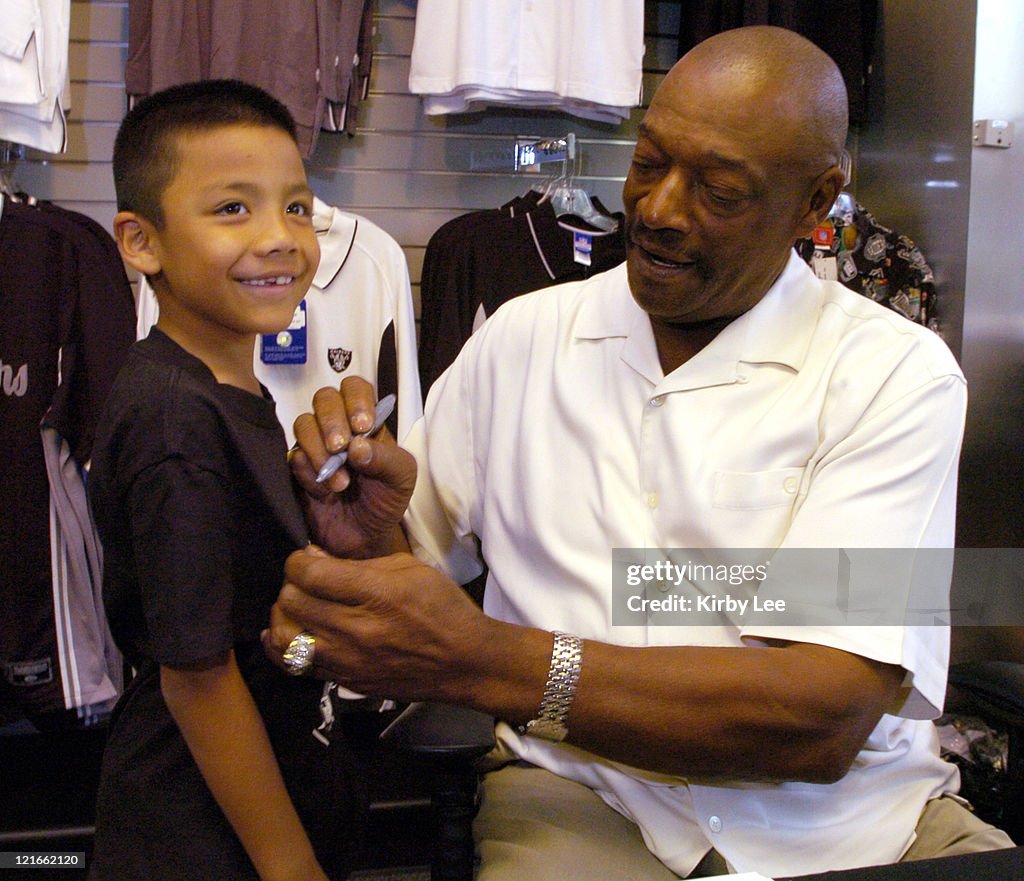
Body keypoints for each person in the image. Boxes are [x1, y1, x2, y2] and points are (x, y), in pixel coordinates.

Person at [266, 27, 1016, 880]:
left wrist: (484, 657)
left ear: (818, 203)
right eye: (648, 162)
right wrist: (369, 538)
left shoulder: (892, 374)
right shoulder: (524, 343)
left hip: (859, 824)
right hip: (586, 800)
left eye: (719, 191)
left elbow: (823, 717)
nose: (658, 209)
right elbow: (416, 585)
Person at [87, 80, 367, 881]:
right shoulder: (178, 419)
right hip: (200, 829)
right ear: (142, 243)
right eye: (233, 210)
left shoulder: (221, 390)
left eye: (297, 207)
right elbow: (199, 675)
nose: (281, 238)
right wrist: (290, 866)